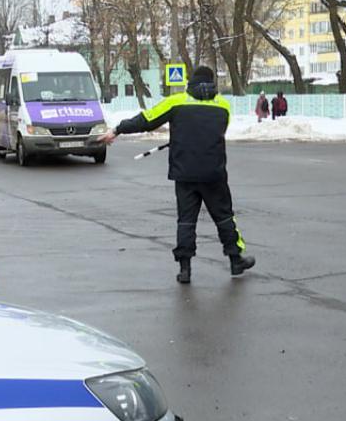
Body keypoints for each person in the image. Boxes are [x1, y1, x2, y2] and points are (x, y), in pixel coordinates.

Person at [100, 66, 256, 284]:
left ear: (191, 81)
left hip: (185, 174)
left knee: (186, 221)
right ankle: (235, 260)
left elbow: (146, 119)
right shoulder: (223, 105)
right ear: (213, 83)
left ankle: (185, 269)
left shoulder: (176, 102)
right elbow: (217, 132)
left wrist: (117, 129)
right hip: (214, 173)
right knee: (224, 217)